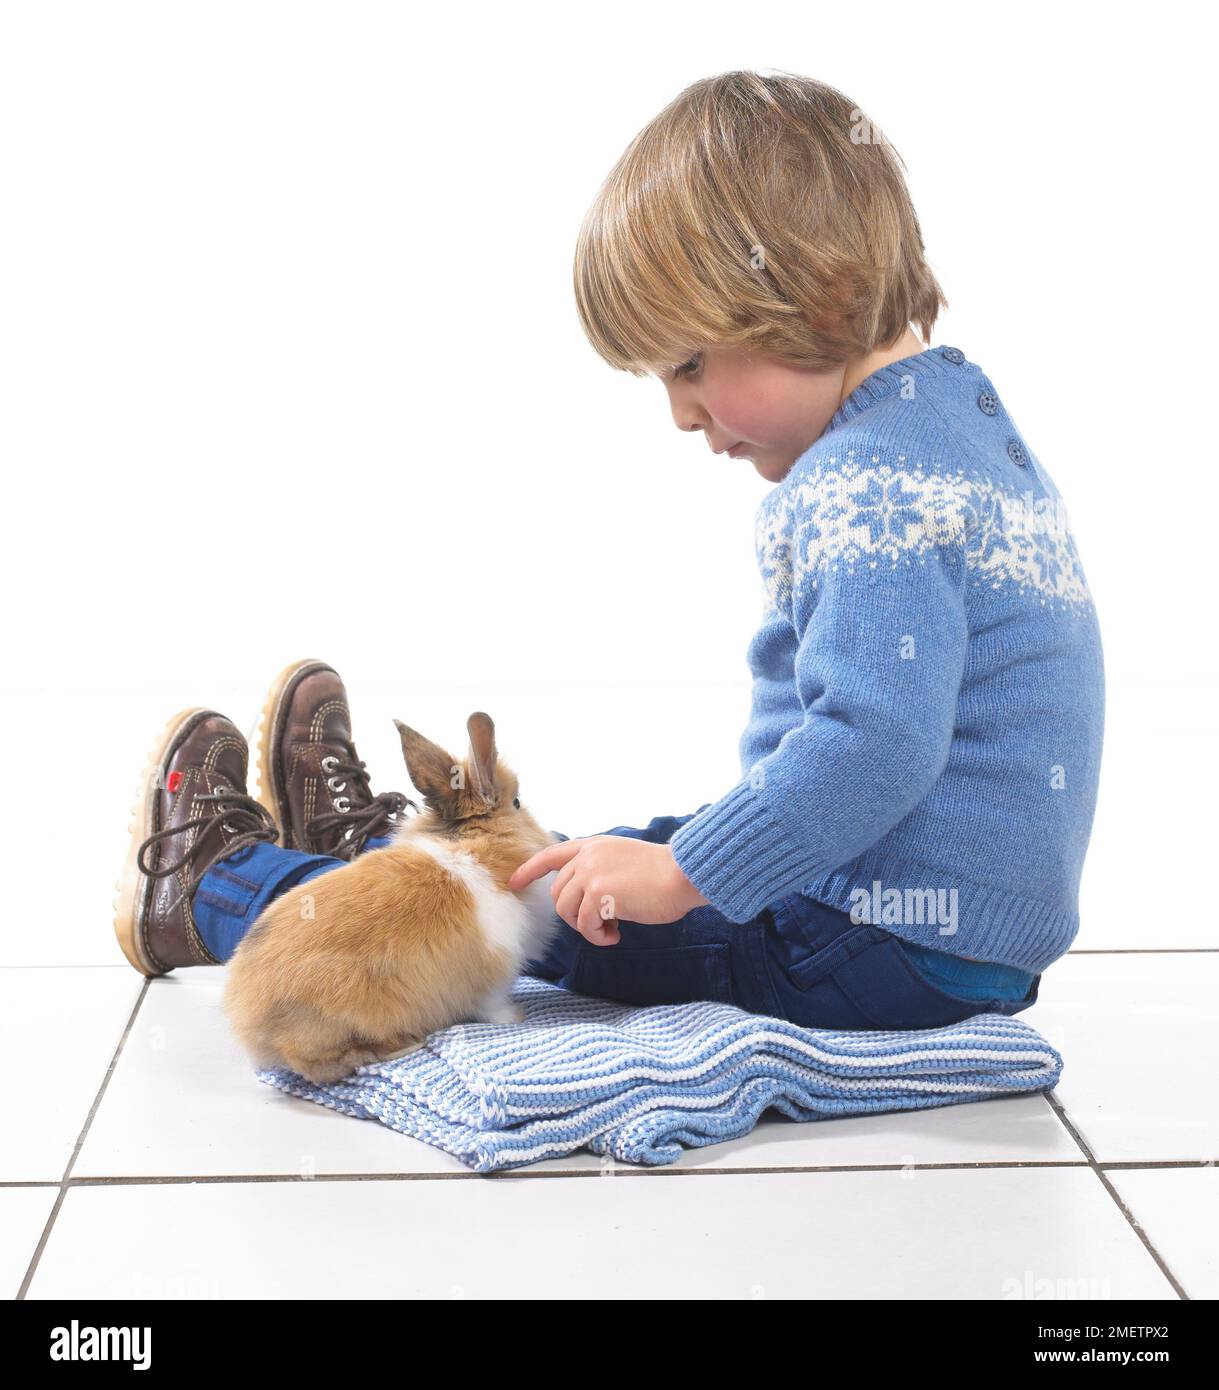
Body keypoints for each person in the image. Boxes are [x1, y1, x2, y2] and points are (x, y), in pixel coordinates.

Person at [114, 70, 1103, 1033]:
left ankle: (211, 887)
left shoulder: (864, 485)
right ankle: (365, 847)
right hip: (959, 938)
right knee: (583, 857)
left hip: (866, 946)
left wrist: (684, 876)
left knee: (506, 902)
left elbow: (877, 743)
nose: (679, 413)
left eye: (688, 365)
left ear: (814, 291)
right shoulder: (962, 426)